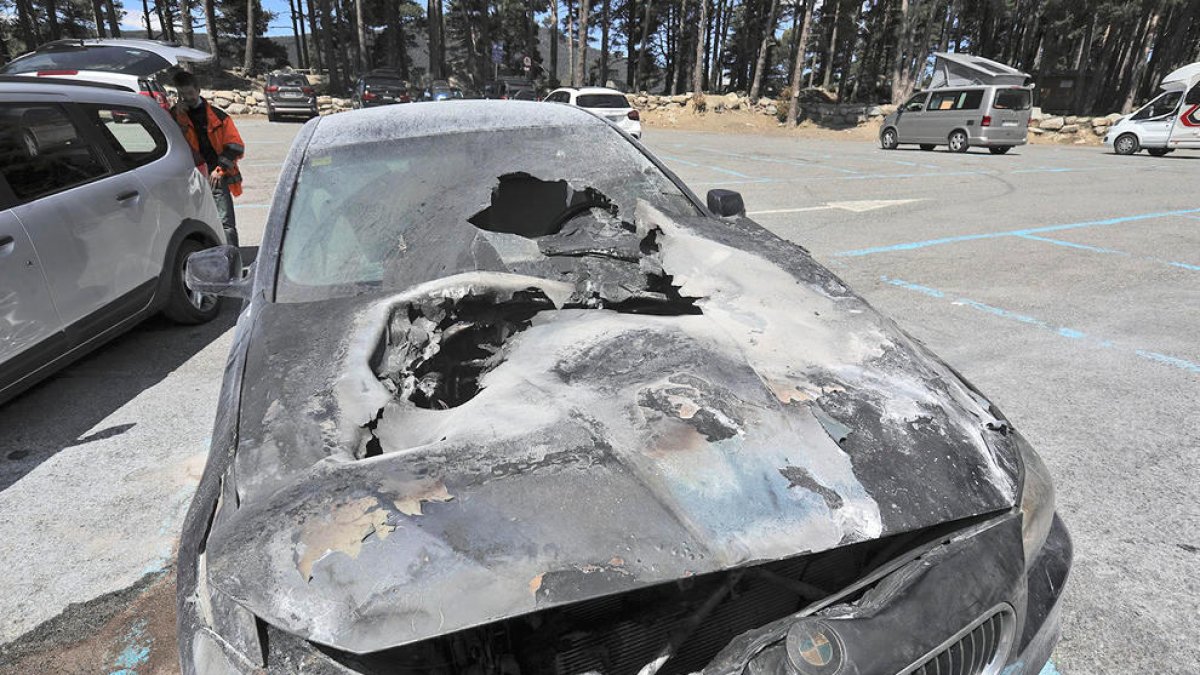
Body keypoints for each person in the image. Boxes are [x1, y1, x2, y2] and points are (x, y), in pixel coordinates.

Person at [171, 70, 245, 247]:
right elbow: (173, 144)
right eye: (182, 94)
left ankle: (231, 262)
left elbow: (235, 146)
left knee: (225, 224)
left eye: (189, 93)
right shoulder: (174, 116)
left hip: (215, 176)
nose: (187, 97)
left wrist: (220, 170)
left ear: (198, 90)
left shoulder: (219, 116)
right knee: (194, 224)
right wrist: (178, 118)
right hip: (188, 179)